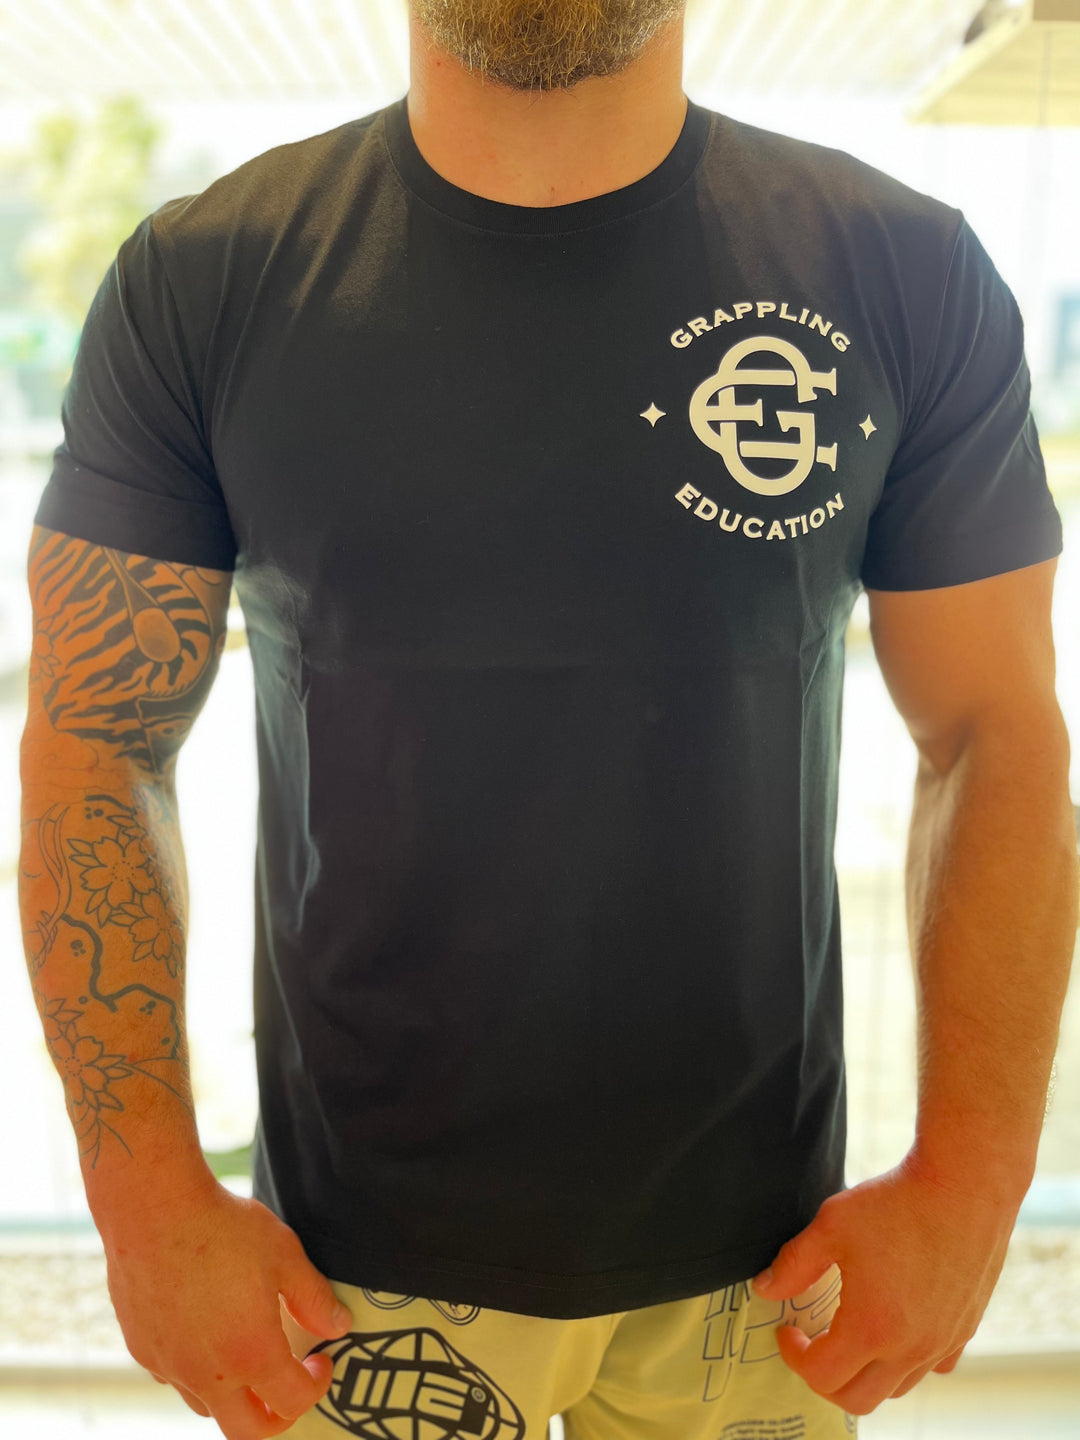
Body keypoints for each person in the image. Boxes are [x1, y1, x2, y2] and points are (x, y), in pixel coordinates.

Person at [18, 2, 1077, 1438]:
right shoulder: (203, 281)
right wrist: (144, 1193)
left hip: (766, 1276)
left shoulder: (903, 270)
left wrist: (972, 1180)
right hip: (350, 1283)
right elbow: (99, 742)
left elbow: (995, 734)